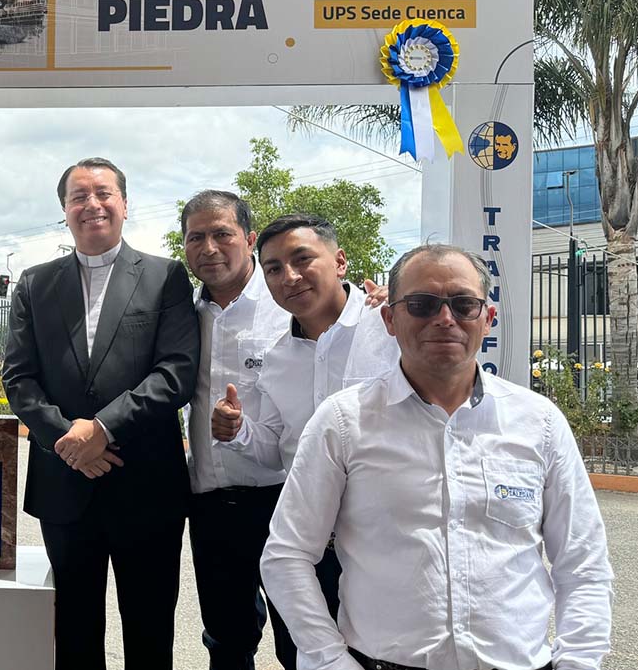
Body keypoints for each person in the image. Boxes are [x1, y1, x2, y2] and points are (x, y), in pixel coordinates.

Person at [262, 244, 614, 670]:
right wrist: (329, 660)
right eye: (422, 304)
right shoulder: (342, 422)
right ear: (390, 320)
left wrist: (579, 660)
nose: (444, 318)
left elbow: (583, 561)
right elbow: (287, 555)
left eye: (463, 304)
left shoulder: (537, 423)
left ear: (488, 317)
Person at [2, 157, 198, 670]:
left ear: (125, 204)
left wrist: (102, 428)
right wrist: (69, 441)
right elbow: (18, 377)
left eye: (103, 193)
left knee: (151, 626)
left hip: (147, 484)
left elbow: (175, 371)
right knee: (72, 629)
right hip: (64, 483)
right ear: (64, 212)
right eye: (78, 196)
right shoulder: (34, 283)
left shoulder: (166, 277)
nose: (92, 204)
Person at [211, 214, 399, 669]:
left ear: (339, 262)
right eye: (273, 268)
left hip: (385, 541)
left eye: (302, 260)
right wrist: (239, 432)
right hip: (311, 543)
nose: (288, 277)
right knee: (302, 656)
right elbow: (277, 447)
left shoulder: (389, 328)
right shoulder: (277, 357)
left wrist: (406, 302)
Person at [182, 190, 292, 670]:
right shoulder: (182, 315)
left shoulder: (288, 306)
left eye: (222, 234)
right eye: (196, 237)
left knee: (302, 635)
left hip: (285, 499)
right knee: (226, 640)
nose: (209, 247)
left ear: (248, 239)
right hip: (211, 504)